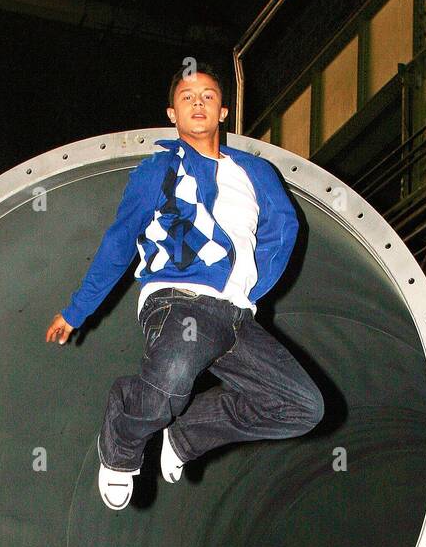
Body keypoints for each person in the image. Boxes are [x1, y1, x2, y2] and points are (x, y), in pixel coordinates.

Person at [46, 62, 324, 510]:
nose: (198, 103)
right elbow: (119, 242)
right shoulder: (157, 171)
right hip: (178, 300)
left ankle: (188, 432)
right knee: (167, 386)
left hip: (235, 314)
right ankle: (121, 446)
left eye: (208, 96)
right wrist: (78, 310)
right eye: (187, 97)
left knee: (301, 407)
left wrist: (251, 290)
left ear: (224, 111)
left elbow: (284, 228)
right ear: (172, 114)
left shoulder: (256, 172)